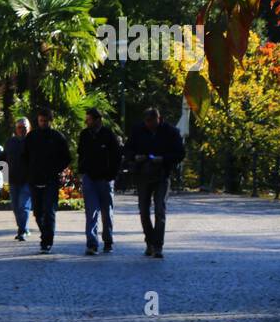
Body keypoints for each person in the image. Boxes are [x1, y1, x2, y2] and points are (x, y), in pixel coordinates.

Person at [125, 107, 185, 259]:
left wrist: (163, 159)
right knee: (144, 211)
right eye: (147, 122)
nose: (149, 125)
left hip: (162, 175)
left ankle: (158, 246)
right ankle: (149, 241)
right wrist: (135, 157)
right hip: (143, 175)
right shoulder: (138, 130)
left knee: (160, 209)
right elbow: (127, 150)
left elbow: (180, 153)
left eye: (152, 122)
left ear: (159, 119)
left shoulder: (171, 132)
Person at [21, 107, 72, 254]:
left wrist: (56, 169)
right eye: (40, 121)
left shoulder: (57, 137)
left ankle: (47, 241)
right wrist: (28, 171)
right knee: (37, 212)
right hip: (34, 178)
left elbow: (66, 157)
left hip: (50, 179)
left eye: (45, 121)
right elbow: (24, 156)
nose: (42, 123)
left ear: (50, 121)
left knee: (49, 210)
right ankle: (45, 233)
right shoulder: (32, 137)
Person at [77, 108, 122, 255]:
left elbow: (116, 157)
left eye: (89, 119)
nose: (87, 122)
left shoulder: (108, 135)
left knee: (106, 212)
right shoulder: (84, 135)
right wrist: (82, 171)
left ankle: (108, 241)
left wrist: (112, 176)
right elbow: (80, 154)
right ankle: (92, 243)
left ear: (97, 120)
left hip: (105, 179)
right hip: (89, 178)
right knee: (91, 212)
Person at [3, 117, 33, 241]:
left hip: (28, 180)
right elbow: (4, 158)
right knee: (15, 207)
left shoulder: (33, 142)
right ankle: (23, 228)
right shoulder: (10, 142)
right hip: (13, 180)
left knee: (23, 205)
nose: (22, 130)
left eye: (24, 127)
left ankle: (22, 231)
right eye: (19, 127)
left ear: (29, 128)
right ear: (16, 129)